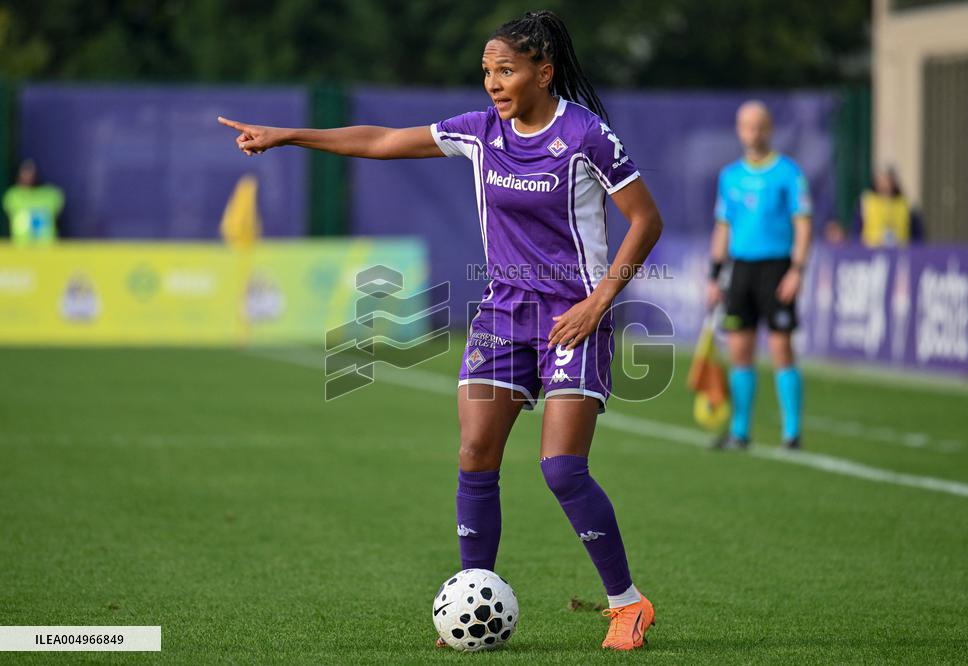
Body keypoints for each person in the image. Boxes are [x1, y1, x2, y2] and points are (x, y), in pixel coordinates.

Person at [219, 11, 663, 651]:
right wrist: (287, 135)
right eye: (486, 71)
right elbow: (379, 141)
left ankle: (627, 604)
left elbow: (645, 221)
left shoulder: (587, 135)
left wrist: (601, 301)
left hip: (573, 317)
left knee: (562, 469)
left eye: (505, 70)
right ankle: (474, 600)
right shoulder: (481, 132)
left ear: (545, 70)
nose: (492, 83)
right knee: (476, 455)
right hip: (504, 313)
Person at [707, 101, 812, 450]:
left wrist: (797, 270)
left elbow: (802, 224)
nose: (753, 133)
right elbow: (723, 226)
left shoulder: (788, 173)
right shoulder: (730, 176)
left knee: (781, 347)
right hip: (741, 270)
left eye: (759, 126)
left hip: (777, 268)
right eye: (747, 126)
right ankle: (740, 432)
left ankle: (792, 433)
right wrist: (714, 275)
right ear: (739, 130)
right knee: (740, 350)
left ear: (769, 129)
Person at [854, 166, 923, 247]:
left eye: (887, 180)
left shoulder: (904, 204)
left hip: (900, 251)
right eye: (881, 181)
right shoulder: (867, 201)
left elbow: (918, 235)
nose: (884, 184)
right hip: (871, 253)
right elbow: (856, 231)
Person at [2, 159, 64, 246]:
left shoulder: (50, 195)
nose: (28, 176)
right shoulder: (13, 196)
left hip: (46, 249)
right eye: (24, 172)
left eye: (31, 173)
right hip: (20, 249)